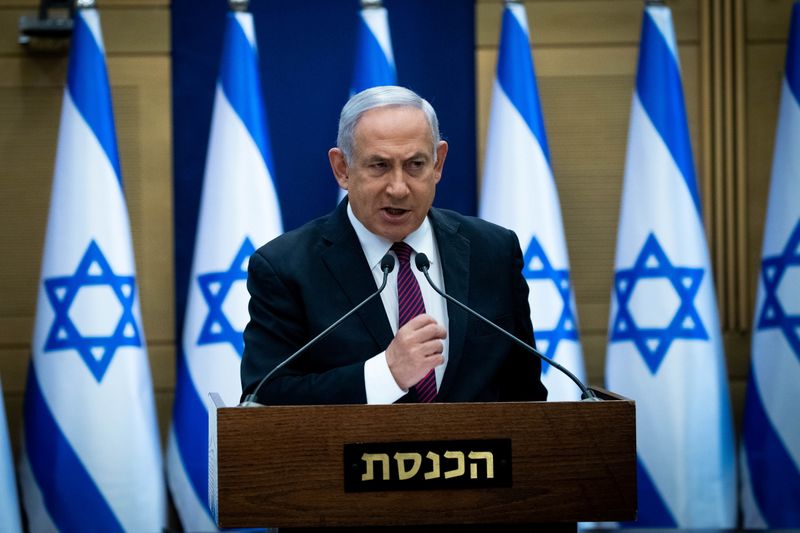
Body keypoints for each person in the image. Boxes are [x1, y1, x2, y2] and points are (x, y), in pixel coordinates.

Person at [241, 85, 547, 406]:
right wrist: (386, 375)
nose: (399, 188)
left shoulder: (494, 252)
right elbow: (265, 395)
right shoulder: (286, 268)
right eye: (379, 166)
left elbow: (525, 393)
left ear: (438, 163)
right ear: (342, 169)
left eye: (415, 164)